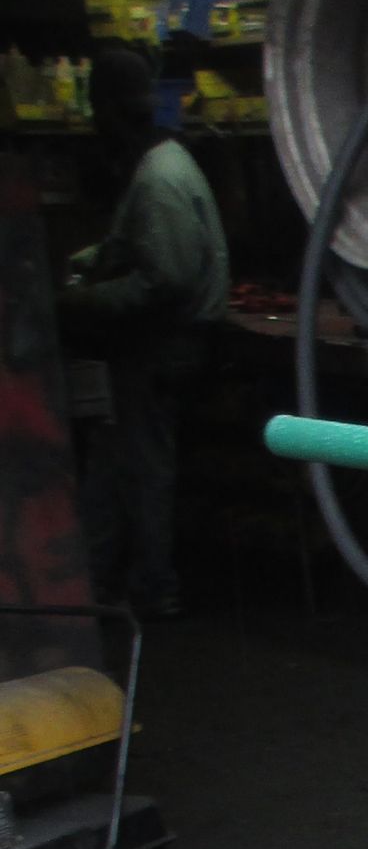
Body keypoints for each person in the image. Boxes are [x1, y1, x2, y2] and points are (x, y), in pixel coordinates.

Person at [59, 43, 228, 617]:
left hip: (161, 346)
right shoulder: (158, 167)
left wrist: (84, 303)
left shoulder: (159, 178)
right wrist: (95, 261)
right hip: (152, 347)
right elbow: (138, 247)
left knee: (144, 469)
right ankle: (93, 582)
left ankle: (155, 589)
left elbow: (167, 279)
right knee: (116, 464)